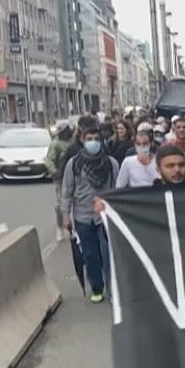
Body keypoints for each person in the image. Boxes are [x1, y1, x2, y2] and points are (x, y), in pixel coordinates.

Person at [62, 125, 119, 304]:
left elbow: (117, 189)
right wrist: (66, 215)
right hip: (83, 217)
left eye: (96, 139)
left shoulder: (111, 163)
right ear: (82, 140)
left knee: (108, 253)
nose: (93, 142)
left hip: (105, 216)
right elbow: (67, 191)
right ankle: (97, 287)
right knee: (90, 254)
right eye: (89, 139)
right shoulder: (74, 165)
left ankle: (113, 287)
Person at [45, 119, 74, 241]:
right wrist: (54, 171)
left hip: (74, 175)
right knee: (60, 204)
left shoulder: (73, 142)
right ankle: (59, 228)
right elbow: (49, 160)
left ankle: (73, 228)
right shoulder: (55, 144)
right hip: (61, 177)